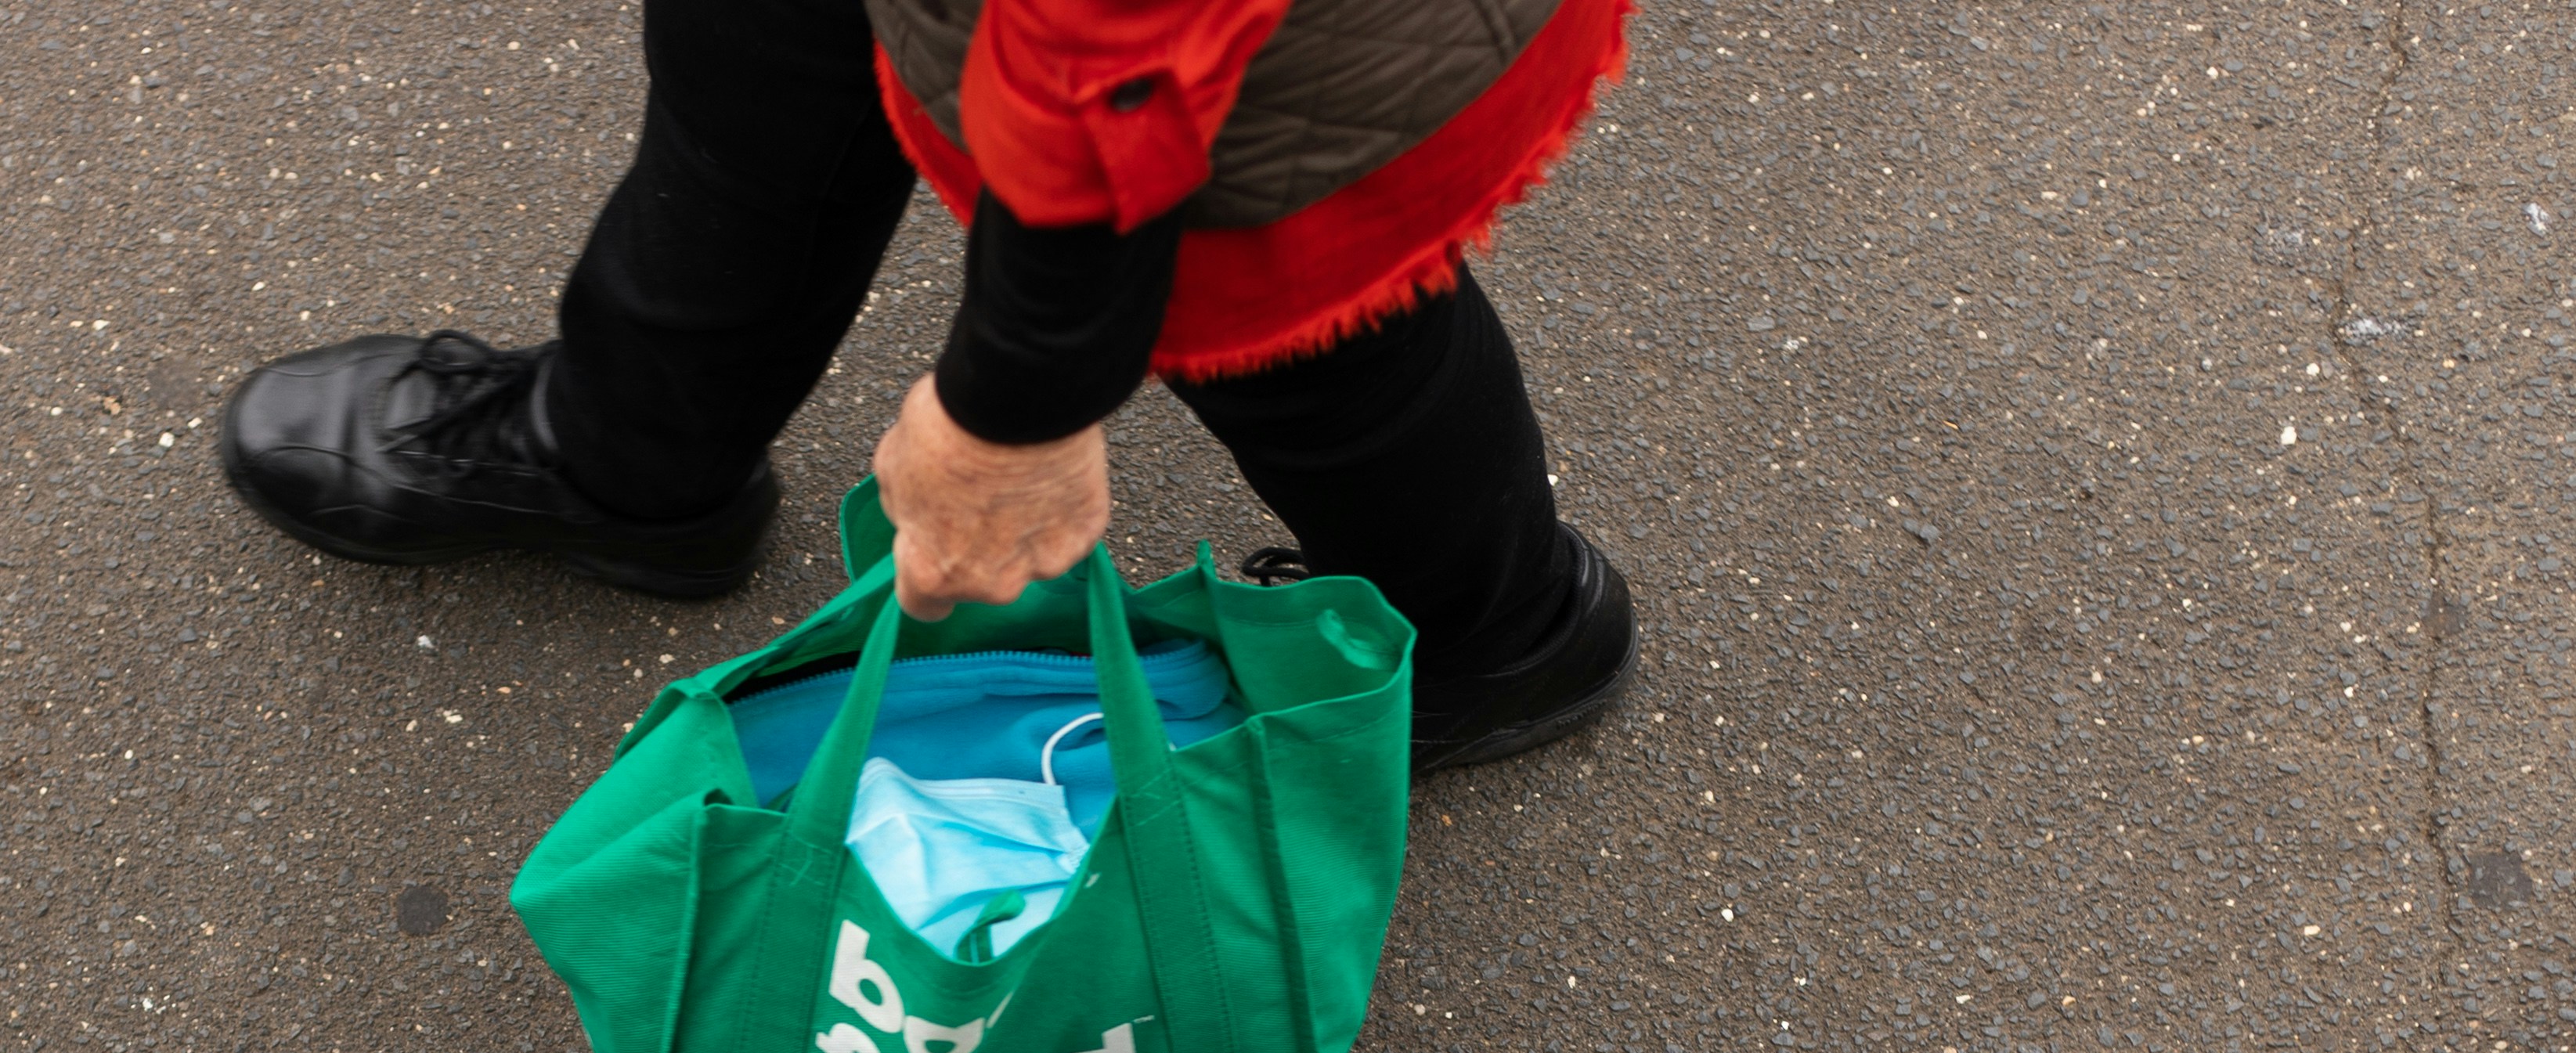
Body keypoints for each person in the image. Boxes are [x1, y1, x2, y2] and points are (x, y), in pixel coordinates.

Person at [218, 0, 1636, 773]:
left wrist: (1016, 407)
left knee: (1286, 314)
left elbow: (1114, 60)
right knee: (764, 57)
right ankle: (632, 460)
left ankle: (1490, 632)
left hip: (1252, 53)